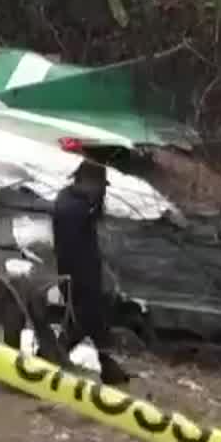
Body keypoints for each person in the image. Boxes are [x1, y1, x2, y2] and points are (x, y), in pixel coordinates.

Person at [50, 160, 131, 387]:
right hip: (77, 278)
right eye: (99, 186)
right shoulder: (73, 208)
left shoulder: (74, 201)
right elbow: (75, 249)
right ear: (87, 182)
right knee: (85, 324)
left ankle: (106, 369)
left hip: (84, 276)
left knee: (91, 326)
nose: (101, 191)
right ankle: (49, 360)